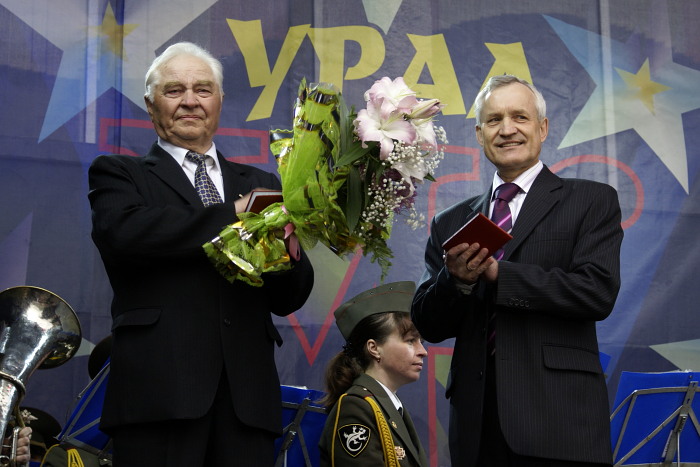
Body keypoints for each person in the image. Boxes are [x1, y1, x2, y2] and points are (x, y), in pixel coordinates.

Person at [88, 41, 314, 466]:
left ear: (219, 102)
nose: (190, 101)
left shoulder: (264, 183)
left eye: (203, 89)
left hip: (247, 404)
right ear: (151, 104)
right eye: (174, 90)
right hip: (158, 399)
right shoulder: (120, 173)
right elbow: (125, 233)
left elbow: (289, 297)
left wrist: (290, 245)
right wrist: (235, 214)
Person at [411, 74, 623, 467]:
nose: (507, 129)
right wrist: (456, 280)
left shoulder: (591, 200)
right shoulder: (451, 222)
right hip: (477, 428)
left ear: (542, 128)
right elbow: (429, 324)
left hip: (560, 422)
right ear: (479, 135)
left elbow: (597, 291)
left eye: (520, 117)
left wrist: (501, 276)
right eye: (494, 120)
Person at [319, 281, 428, 467]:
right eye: (410, 341)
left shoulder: (389, 407)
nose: (423, 352)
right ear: (374, 348)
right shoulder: (355, 407)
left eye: (421, 342)